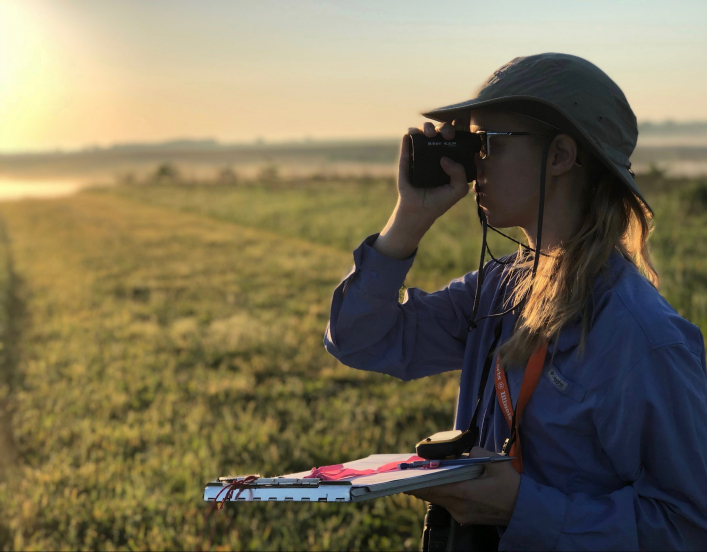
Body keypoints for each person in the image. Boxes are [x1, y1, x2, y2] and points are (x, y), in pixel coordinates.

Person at [323, 53, 707, 550]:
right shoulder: (501, 289)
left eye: (487, 143)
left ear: (560, 156)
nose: (472, 163)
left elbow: (687, 526)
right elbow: (358, 340)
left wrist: (518, 507)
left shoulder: (642, 338)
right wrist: (409, 219)